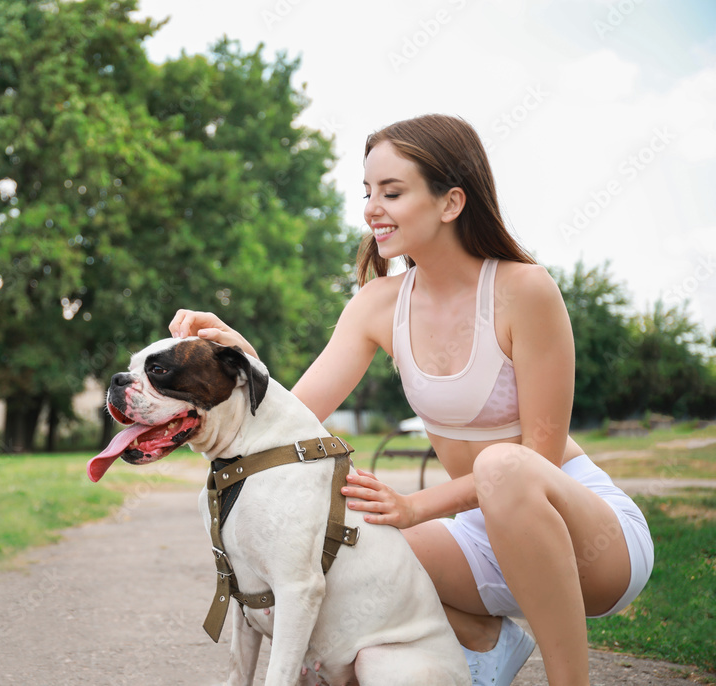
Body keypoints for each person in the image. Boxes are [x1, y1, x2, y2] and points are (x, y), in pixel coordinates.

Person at [169, 114, 653, 686]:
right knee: (357, 564)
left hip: (587, 542)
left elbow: (538, 460)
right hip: (480, 537)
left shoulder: (524, 290)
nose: (372, 207)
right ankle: (489, 644)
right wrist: (238, 357)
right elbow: (290, 420)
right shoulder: (379, 304)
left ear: (450, 202)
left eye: (392, 192)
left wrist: (416, 507)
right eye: (368, 192)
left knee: (503, 463)